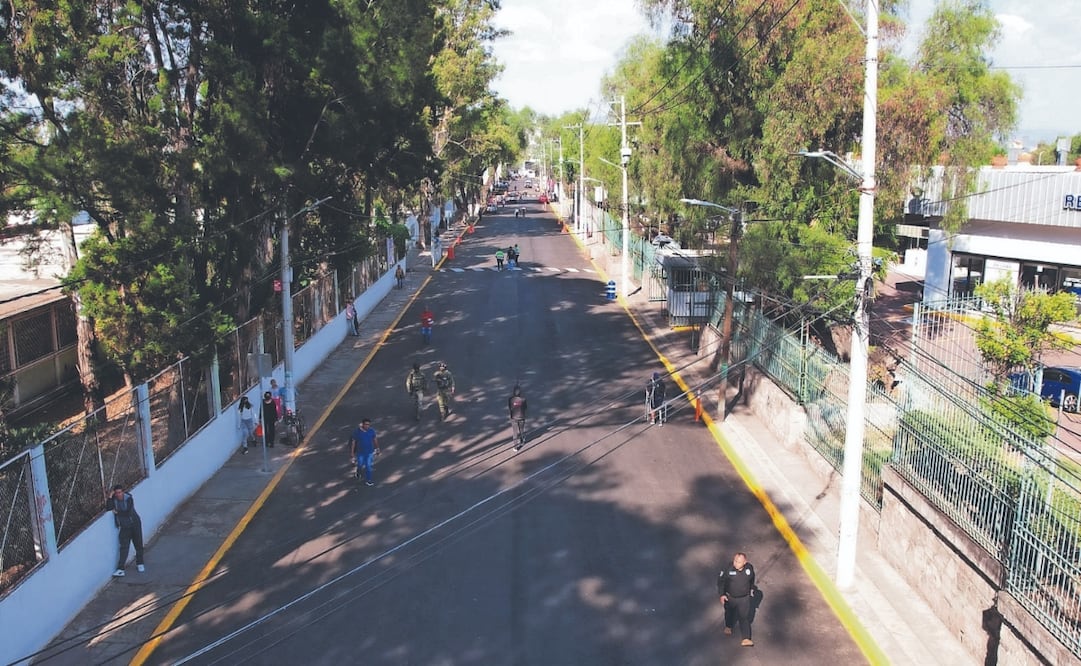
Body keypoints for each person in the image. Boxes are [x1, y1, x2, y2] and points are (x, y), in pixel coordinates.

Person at [718, 552, 758, 647]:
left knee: (744, 617)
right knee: (729, 613)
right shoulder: (728, 568)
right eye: (735, 561)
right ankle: (729, 626)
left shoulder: (749, 569)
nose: (736, 563)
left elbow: (752, 578)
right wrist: (722, 594)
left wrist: (751, 588)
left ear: (745, 562)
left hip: (744, 598)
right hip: (730, 597)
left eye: (739, 562)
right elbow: (721, 581)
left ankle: (746, 638)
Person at [106, 484, 145, 576]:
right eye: (116, 493)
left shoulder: (129, 498)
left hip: (134, 524)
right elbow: (109, 508)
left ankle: (140, 563)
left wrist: (118, 512)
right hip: (124, 527)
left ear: (123, 492)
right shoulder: (114, 500)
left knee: (138, 544)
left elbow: (128, 512)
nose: (118, 495)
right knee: (124, 547)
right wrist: (110, 497)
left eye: (120, 492)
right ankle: (120, 569)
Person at [350, 418, 380, 487]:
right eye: (366, 424)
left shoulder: (371, 431)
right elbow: (353, 443)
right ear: (363, 424)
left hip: (369, 452)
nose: (367, 426)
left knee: (368, 466)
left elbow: (375, 440)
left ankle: (368, 480)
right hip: (360, 453)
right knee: (360, 465)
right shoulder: (357, 432)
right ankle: (358, 472)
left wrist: (377, 448)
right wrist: (352, 453)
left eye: (369, 424)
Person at [508, 384, 527, 450]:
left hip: (513, 417)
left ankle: (515, 447)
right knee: (521, 430)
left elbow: (510, 407)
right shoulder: (523, 399)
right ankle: (522, 441)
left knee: (515, 432)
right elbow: (525, 408)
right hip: (521, 417)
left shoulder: (510, 399)